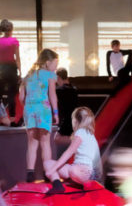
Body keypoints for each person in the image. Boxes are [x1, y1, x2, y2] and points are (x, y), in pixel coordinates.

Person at [19, 49, 59, 183]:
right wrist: (56, 113)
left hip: (29, 109)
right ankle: (47, 173)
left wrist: (29, 105)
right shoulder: (50, 75)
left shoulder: (28, 75)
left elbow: (21, 97)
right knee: (45, 143)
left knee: (32, 143)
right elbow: (52, 95)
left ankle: (30, 174)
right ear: (48, 62)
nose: (56, 67)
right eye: (55, 63)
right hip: (43, 109)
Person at [44, 107, 99, 194]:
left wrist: (52, 170)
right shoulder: (90, 135)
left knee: (71, 169)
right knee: (48, 163)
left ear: (76, 121)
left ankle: (68, 182)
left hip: (83, 172)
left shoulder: (80, 132)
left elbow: (69, 152)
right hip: (83, 172)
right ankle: (58, 185)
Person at [0, 19, 22, 123]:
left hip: (1, 68)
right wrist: (20, 71)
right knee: (12, 94)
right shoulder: (14, 41)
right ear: (11, 29)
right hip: (11, 68)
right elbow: (17, 58)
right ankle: (13, 119)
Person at [53, 68, 79, 146]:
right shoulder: (74, 89)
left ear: (59, 78)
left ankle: (79, 142)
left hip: (67, 119)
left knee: (57, 138)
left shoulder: (59, 90)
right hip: (74, 118)